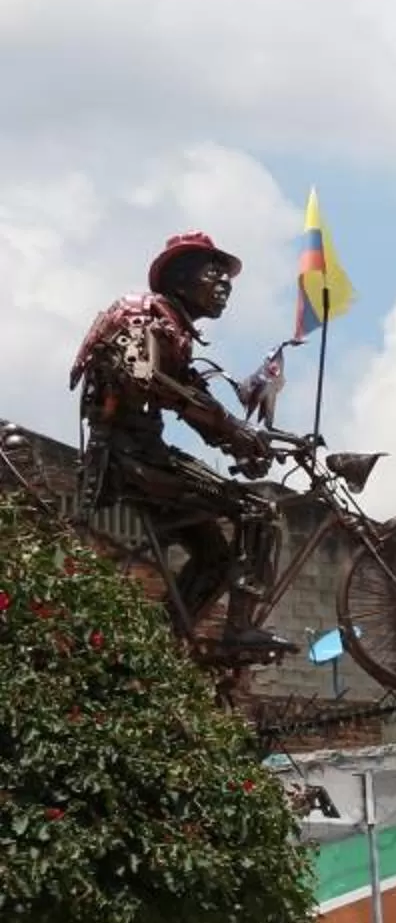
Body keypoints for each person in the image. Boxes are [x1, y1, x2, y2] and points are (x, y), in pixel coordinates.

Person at [67, 232, 288, 658]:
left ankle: (159, 649)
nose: (224, 284)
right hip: (130, 456)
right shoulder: (142, 313)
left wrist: (242, 443)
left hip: (143, 454)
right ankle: (239, 628)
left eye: (227, 278)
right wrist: (233, 431)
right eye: (213, 273)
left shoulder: (174, 330)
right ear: (180, 278)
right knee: (257, 510)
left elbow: (195, 401)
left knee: (214, 556)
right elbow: (145, 378)